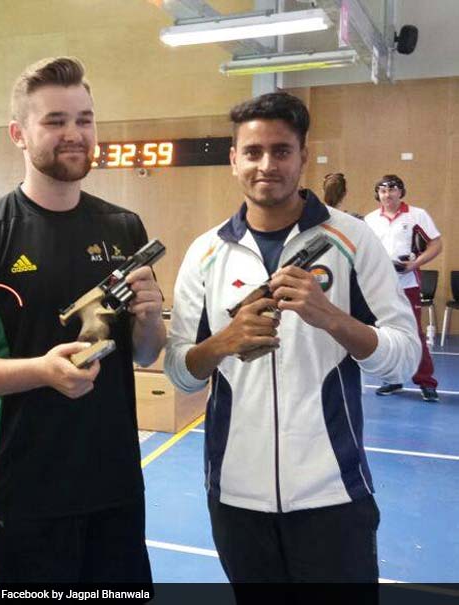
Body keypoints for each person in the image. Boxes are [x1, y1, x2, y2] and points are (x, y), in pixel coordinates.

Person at [165, 92, 420, 586]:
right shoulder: (205, 252)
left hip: (333, 494)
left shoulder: (352, 239)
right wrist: (223, 342)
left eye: (282, 151)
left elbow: (404, 359)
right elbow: (180, 371)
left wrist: (331, 318)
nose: (267, 165)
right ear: (234, 159)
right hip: (236, 497)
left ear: (304, 157)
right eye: (254, 152)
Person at [0, 56, 164, 585]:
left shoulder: (124, 227)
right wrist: (40, 371)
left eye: (84, 119)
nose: (74, 134)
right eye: (55, 121)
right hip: (21, 491)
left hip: (114, 486)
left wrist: (151, 317)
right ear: (18, 133)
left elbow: (146, 353)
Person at [364, 174, 442, 402]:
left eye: (392, 189)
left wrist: (414, 264)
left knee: (414, 333)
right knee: (386, 333)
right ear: (377, 194)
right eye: (382, 190)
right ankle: (392, 378)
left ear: (401, 191)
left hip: (408, 285)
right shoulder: (370, 219)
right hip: (379, 287)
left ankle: (426, 382)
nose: (387, 194)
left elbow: (436, 244)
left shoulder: (417, 215)